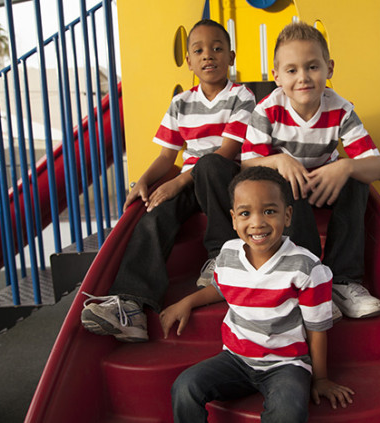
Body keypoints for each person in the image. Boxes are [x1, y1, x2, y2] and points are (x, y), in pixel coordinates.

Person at [80, 19, 256, 342]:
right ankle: (131, 305)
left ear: (231, 57)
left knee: (211, 165)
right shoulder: (181, 103)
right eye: (199, 50)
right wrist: (143, 182)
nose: (208, 56)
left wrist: (176, 183)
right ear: (188, 60)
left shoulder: (241, 97)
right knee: (153, 214)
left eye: (217, 49)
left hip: (225, 182)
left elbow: (229, 150)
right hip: (190, 181)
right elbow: (166, 158)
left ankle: (221, 258)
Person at [160, 166, 354, 422]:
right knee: (185, 387)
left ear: (287, 216)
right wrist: (187, 302)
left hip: (286, 364)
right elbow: (221, 288)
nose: (257, 222)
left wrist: (321, 379)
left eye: (269, 211)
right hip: (235, 359)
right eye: (245, 213)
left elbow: (316, 329)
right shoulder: (228, 254)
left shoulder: (306, 267)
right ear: (233, 219)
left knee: (287, 412)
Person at [241, 22, 380, 319]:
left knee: (358, 181)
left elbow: (378, 168)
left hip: (324, 184)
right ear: (277, 77)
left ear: (329, 68)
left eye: (312, 67)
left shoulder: (340, 110)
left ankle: (343, 282)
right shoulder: (267, 110)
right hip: (288, 190)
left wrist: (345, 166)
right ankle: (311, 281)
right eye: (292, 70)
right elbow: (248, 164)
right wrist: (280, 160)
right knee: (282, 183)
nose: (303, 78)